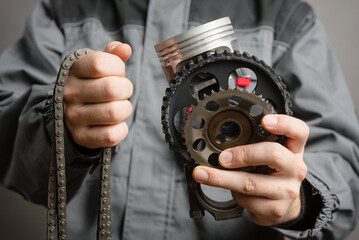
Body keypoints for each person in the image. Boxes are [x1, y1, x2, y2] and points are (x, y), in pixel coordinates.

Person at [0, 0, 358, 239]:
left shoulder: (285, 16)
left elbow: (343, 167)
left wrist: (299, 202)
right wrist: (61, 124)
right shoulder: (65, 8)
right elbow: (7, 136)